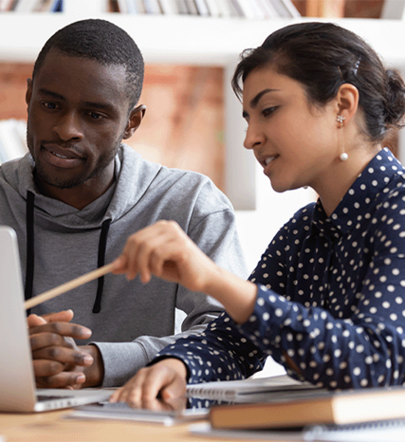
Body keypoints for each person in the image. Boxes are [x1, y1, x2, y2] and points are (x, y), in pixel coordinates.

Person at [0, 19, 246, 389]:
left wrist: (99, 363)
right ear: (29, 97)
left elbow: (232, 341)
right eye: (50, 104)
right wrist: (1, 354)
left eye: (94, 115)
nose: (67, 129)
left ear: (132, 123)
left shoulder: (190, 205)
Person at [110, 21, 405, 410]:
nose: (250, 138)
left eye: (268, 110)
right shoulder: (303, 232)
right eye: (249, 118)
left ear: (343, 106)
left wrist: (215, 280)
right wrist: (178, 368)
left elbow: (376, 359)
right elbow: (234, 342)